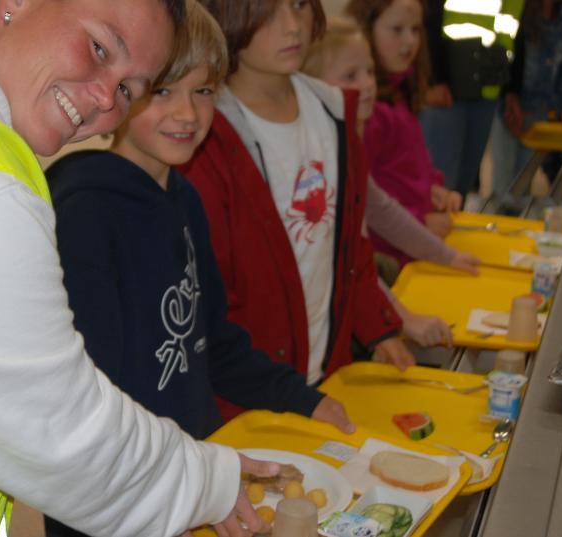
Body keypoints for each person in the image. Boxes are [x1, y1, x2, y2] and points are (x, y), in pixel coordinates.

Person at [0, 1, 277, 536]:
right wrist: (208, 483)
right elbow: (61, 433)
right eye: (100, 47)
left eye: (131, 88)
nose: (108, 97)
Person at [43, 3, 354, 534]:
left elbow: (213, 340)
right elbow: (91, 401)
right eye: (162, 92)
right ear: (120, 90)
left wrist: (304, 399)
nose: (187, 114)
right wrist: (176, 489)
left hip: (189, 476)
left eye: (203, 91)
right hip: (122, 504)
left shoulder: (184, 199)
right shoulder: (85, 212)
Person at [182, 0, 416, 424]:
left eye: (299, 6)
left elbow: (349, 242)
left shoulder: (333, 112)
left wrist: (376, 325)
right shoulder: (204, 135)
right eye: (267, 12)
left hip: (327, 376)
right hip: (245, 399)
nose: (292, 27)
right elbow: (212, 299)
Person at [301, 16, 480, 348]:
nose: (368, 84)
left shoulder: (347, 141)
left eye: (369, 71)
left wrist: (445, 255)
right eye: (351, 75)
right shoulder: (316, 158)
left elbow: (382, 208)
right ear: (310, 84)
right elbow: (344, 253)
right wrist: (398, 316)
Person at [346, 0, 463, 268]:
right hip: (392, 254)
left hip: (414, 246)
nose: (409, 41)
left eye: (416, 30)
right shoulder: (370, 111)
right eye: (397, 30)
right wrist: (420, 221)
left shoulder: (400, 95)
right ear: (366, 31)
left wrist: (433, 189)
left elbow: (406, 167)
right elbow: (364, 200)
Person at [420, 0, 524, 199]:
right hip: (448, 89)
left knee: (461, 186)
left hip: (488, 87)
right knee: (440, 184)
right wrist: (435, 79)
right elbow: (428, 18)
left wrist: (512, 89)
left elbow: (515, 27)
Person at [489, 0, 562, 197]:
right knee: (503, 186)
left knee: (524, 183)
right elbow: (506, 55)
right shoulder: (519, 12)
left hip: (540, 112)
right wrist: (509, 96)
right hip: (510, 108)